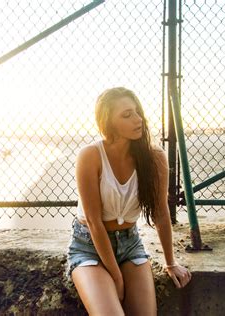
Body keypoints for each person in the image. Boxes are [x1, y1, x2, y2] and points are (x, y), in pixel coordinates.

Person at [66, 87, 191, 315]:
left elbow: (161, 213)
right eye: (126, 115)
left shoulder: (154, 158)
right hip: (89, 247)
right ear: (108, 122)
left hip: (130, 244)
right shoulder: (90, 156)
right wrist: (116, 277)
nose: (138, 119)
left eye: (137, 112)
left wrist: (170, 262)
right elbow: (94, 222)